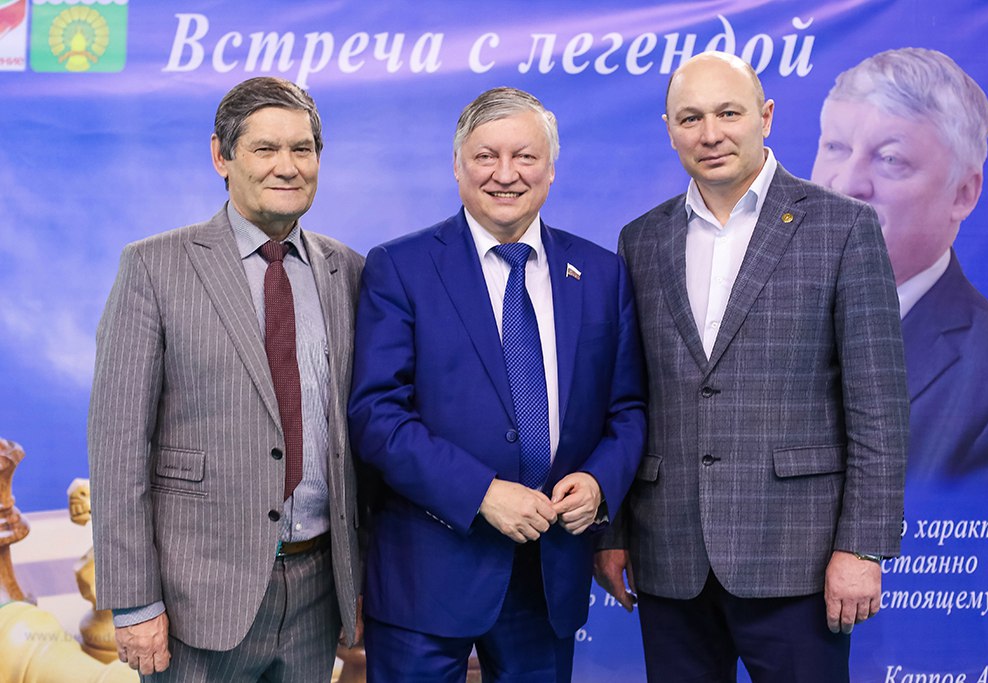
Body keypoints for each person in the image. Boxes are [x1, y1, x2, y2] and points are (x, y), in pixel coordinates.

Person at [593, 52, 909, 682]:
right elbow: (626, 398)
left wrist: (862, 546)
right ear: (669, 129)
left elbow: (879, 407)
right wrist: (612, 531)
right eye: (691, 118)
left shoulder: (842, 227)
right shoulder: (641, 239)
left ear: (765, 117)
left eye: (728, 113)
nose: (710, 134)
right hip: (670, 554)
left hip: (799, 558)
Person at [347, 86, 645, 682]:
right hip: (427, 577)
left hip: (548, 574)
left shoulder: (601, 273)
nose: (505, 174)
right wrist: (481, 493)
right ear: (458, 166)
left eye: (525, 157)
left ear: (551, 169)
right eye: (486, 156)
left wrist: (598, 482)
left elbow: (628, 409)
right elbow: (377, 415)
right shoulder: (400, 268)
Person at [88, 77, 364, 681]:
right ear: (222, 156)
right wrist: (135, 603)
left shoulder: (349, 271)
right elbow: (118, 447)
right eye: (265, 149)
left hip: (319, 591)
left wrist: (358, 579)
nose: (287, 166)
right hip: (194, 600)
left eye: (302, 149)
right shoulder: (154, 267)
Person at [811, 47, 988, 482]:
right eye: (835, 147)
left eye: (890, 159)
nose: (847, 184)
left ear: (963, 194)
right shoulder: (756, 321)